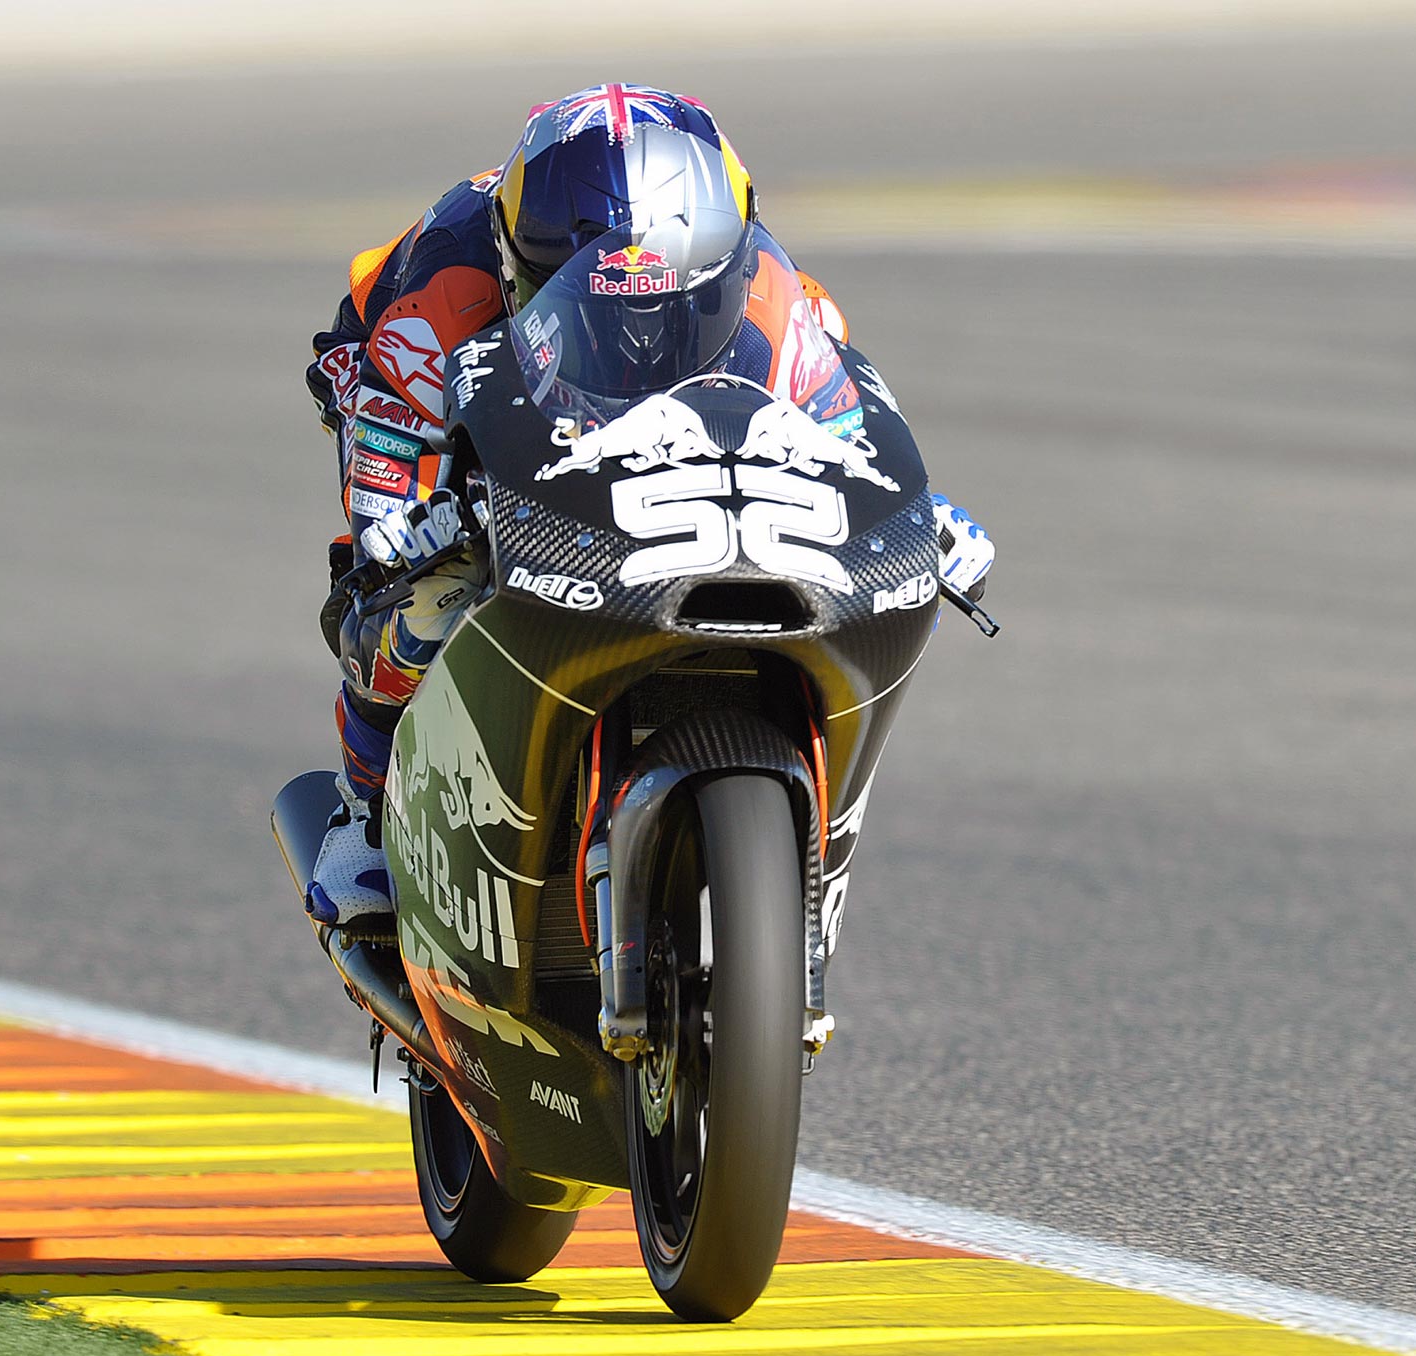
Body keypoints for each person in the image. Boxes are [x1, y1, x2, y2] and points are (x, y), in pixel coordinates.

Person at [302, 83, 994, 928]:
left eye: (679, 303)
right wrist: (414, 527)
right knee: (405, 601)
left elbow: (847, 440)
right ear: (519, 266)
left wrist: (916, 516)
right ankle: (364, 810)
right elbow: (392, 507)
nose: (639, 337)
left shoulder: (787, 304)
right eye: (597, 304)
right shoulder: (435, 307)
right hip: (402, 379)